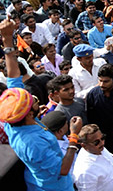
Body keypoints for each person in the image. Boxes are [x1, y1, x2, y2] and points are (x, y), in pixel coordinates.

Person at [0, 17, 82, 190]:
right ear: (30, 113)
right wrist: (74, 136)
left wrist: (7, 39)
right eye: (32, 101)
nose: (36, 99)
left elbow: (13, 78)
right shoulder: (33, 143)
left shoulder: (11, 118)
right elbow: (62, 170)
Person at [72, 124, 113, 191]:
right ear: (84, 145)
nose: (102, 143)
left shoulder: (99, 148)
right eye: (96, 142)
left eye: (102, 138)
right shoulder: (85, 171)